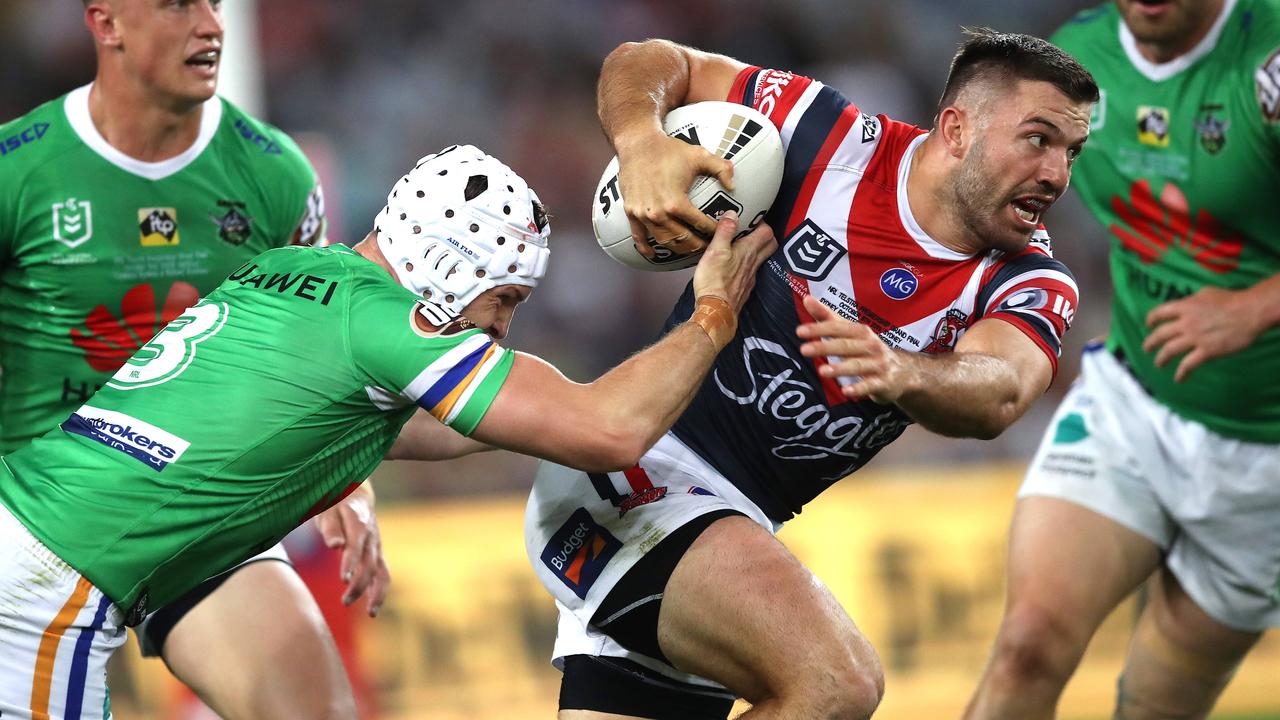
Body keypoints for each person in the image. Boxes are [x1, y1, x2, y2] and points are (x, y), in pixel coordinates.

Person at [0, 143, 777, 720]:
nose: (501, 329)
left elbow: (406, 426)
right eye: (503, 301)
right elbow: (609, 432)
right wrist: (713, 316)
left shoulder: (297, 275)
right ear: (449, 264)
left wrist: (542, 418)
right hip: (51, 588)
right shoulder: (387, 324)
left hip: (32, 537)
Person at [523, 30, 1095, 720]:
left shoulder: (1032, 278)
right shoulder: (825, 136)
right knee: (837, 681)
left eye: (1072, 152)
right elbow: (647, 60)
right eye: (1038, 140)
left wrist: (903, 371)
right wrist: (642, 140)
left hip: (720, 535)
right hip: (640, 473)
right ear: (956, 128)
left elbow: (1002, 386)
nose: (1057, 174)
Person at [0, 1, 385, 717]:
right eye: (178, 4)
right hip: (38, 522)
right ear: (106, 22)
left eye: (213, 2)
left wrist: (349, 486)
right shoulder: (17, 171)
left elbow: (314, 361)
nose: (210, 24)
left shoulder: (275, 175)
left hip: (194, 513)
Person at [964, 1, 1280, 717]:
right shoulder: (1079, 60)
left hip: (1266, 453)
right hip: (1132, 403)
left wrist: (1255, 307)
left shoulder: (1267, 58)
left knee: (1158, 703)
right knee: (1027, 646)